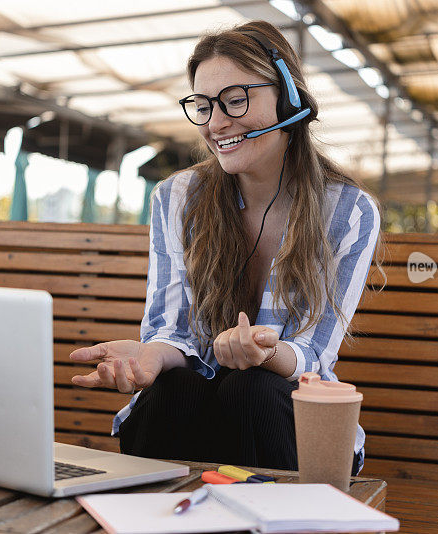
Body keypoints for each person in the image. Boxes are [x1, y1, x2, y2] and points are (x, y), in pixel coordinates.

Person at [70, 20, 381, 474]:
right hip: (202, 419)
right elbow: (172, 329)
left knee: (250, 387)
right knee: (172, 389)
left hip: (289, 424)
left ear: (289, 98)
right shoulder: (177, 198)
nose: (216, 124)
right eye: (203, 105)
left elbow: (313, 353)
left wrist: (264, 352)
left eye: (236, 100)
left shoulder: (348, 211)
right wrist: (151, 355)